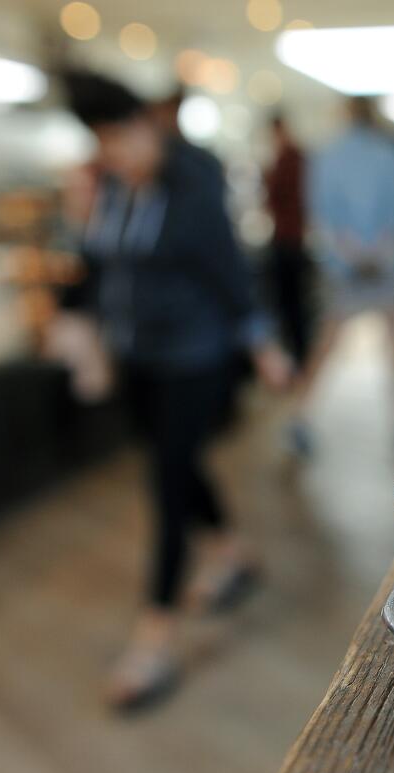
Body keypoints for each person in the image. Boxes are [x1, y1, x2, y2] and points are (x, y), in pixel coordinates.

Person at [60, 71, 291, 710]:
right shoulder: (109, 187)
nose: (116, 155)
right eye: (104, 144)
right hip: (138, 357)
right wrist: (78, 321)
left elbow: (227, 269)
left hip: (196, 355)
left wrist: (264, 346)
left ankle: (153, 640)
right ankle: (232, 552)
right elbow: (97, 262)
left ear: (147, 126)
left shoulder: (192, 183)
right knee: (178, 465)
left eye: (121, 140)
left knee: (166, 483)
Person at [296, 96, 394, 450]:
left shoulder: (327, 155)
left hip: (344, 264)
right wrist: (379, 249)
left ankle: (300, 415)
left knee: (328, 339)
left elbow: (321, 213)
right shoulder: (389, 153)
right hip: (383, 261)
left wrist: (346, 252)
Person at [263, 113, 312, 362]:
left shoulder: (288, 159)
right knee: (296, 303)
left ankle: (298, 356)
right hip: (294, 237)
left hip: (288, 238)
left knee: (291, 304)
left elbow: (273, 198)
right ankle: (299, 354)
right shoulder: (296, 157)